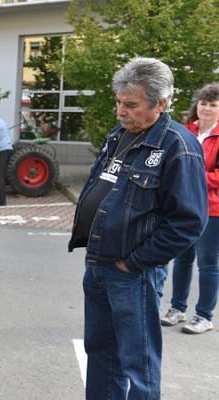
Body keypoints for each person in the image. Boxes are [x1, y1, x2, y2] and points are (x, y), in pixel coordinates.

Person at [68, 58, 207, 400]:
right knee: (100, 355)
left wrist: (133, 262)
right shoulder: (119, 136)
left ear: (161, 103)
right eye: (118, 102)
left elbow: (188, 222)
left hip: (133, 272)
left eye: (130, 105)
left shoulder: (179, 146)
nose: (120, 111)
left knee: (138, 364)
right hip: (99, 265)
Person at [160, 82, 219, 334]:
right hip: (184, 205)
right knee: (182, 258)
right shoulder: (187, 131)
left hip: (212, 209)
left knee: (208, 262)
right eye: (203, 103)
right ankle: (177, 309)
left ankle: (204, 316)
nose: (206, 108)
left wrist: (191, 174)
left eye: (213, 105)